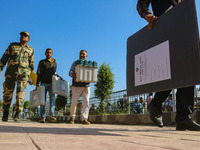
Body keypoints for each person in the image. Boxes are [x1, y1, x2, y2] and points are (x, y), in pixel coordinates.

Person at [137, 0, 200, 131]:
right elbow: (141, 3)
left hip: (183, 29)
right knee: (169, 69)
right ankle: (155, 103)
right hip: (165, 28)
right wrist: (147, 14)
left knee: (189, 69)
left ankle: (183, 117)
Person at [0, 31, 34, 122]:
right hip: (11, 72)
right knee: (7, 93)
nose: (23, 36)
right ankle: (6, 112)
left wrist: (32, 78)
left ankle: (18, 113)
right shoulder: (12, 46)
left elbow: (32, 65)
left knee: (21, 94)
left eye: (25, 35)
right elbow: (4, 58)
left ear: (28, 39)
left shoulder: (31, 50)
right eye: (22, 35)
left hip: (24, 74)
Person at [36, 48, 59, 123]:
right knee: (43, 100)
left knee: (52, 99)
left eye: (50, 53)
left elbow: (54, 72)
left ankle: (52, 115)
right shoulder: (42, 62)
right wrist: (37, 83)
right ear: (45, 53)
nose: (49, 54)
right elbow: (38, 72)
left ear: (52, 54)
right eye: (48, 52)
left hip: (52, 83)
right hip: (43, 83)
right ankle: (42, 117)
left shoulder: (54, 62)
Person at [69, 50, 91, 125]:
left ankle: (84, 119)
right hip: (76, 85)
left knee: (86, 102)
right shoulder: (75, 63)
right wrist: (73, 75)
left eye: (83, 54)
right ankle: (72, 117)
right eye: (81, 54)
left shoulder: (89, 64)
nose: (82, 55)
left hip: (86, 86)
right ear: (79, 55)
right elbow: (70, 72)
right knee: (74, 102)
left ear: (86, 55)